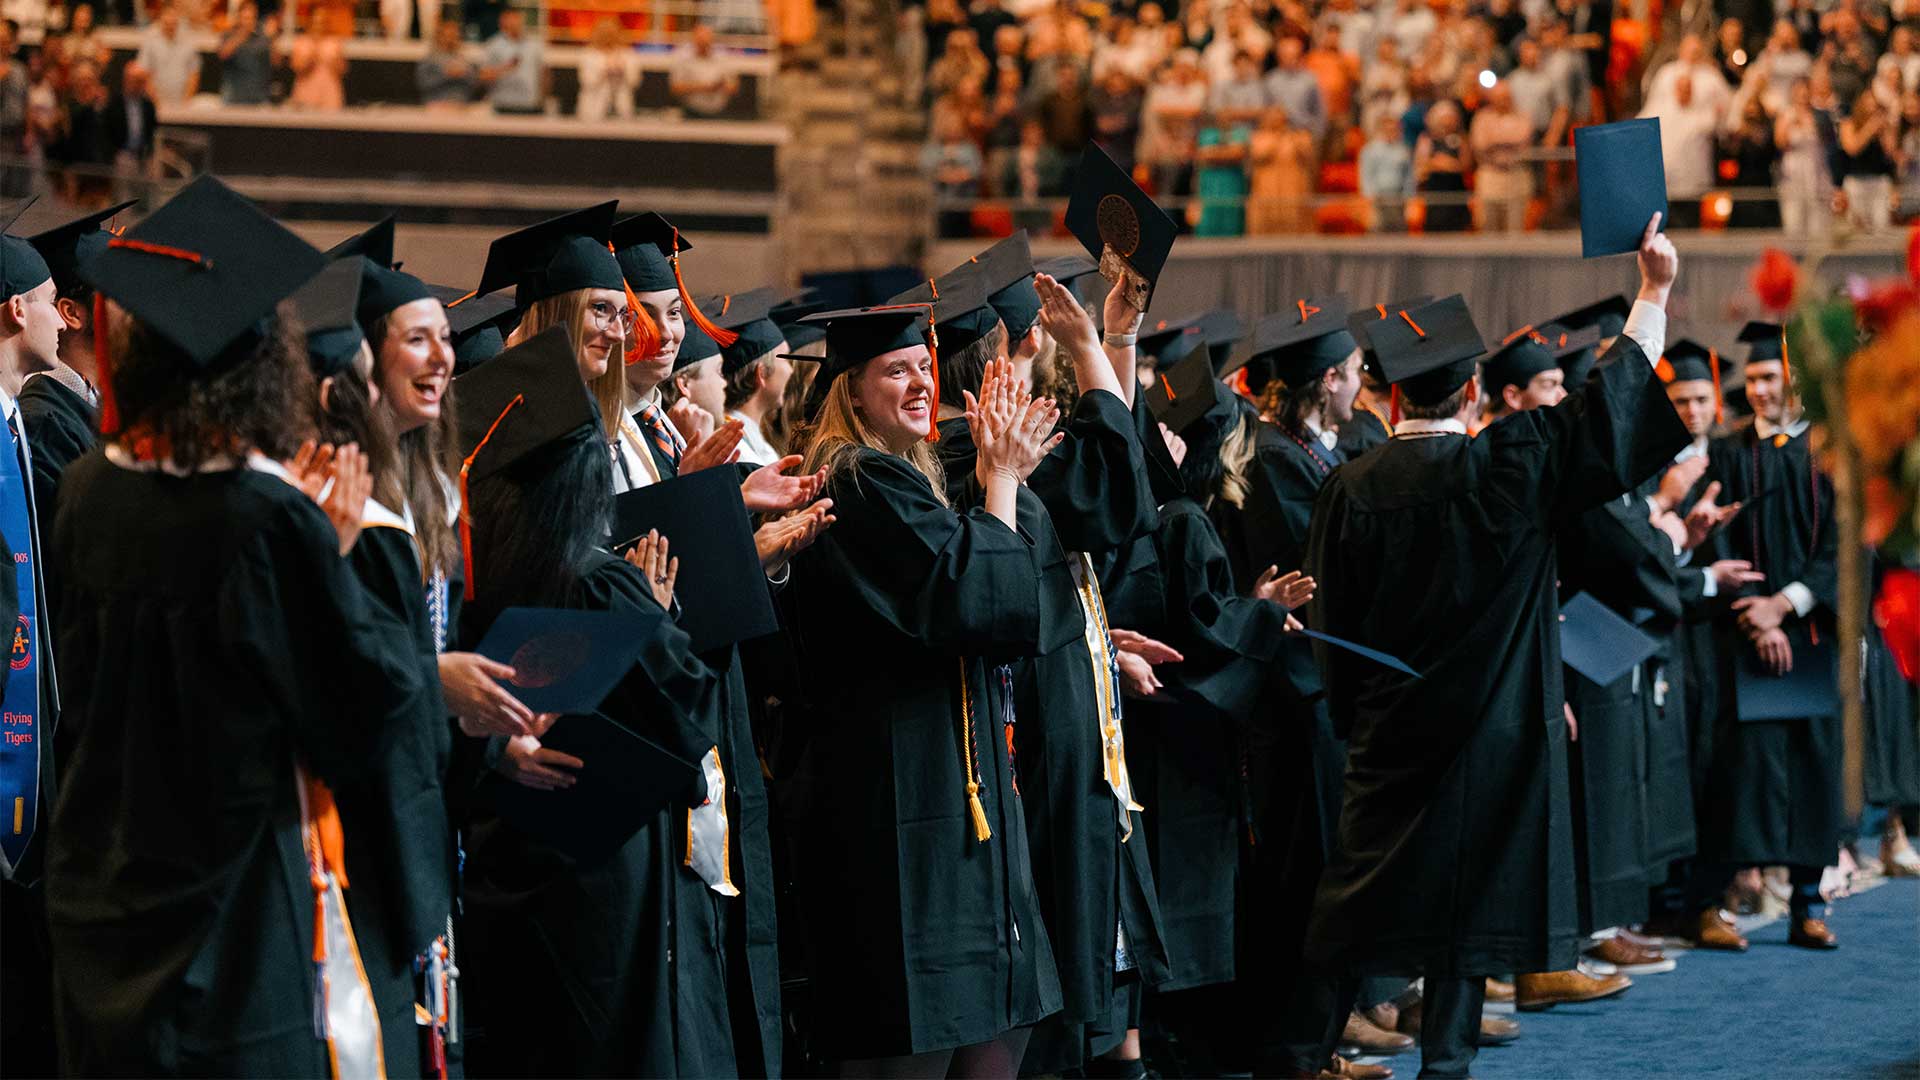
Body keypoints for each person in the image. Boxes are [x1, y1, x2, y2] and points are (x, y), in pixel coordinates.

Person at [46, 175, 423, 1078]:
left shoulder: (88, 490)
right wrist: (333, 561)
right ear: (268, 366)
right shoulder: (268, 516)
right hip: (233, 902)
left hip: (104, 883)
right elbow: (361, 711)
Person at [1299, 217, 1681, 1079]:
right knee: (1468, 909)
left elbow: (1336, 621)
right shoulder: (1513, 465)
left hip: (1389, 738)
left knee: (1355, 905)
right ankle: (1447, 1065)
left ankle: (1303, 1057)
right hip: (1495, 733)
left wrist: (1357, 713)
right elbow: (1606, 411)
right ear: (1475, 393)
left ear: (1389, 398)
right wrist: (1651, 293)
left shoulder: (1349, 489)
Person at [785, 303, 1063, 1074]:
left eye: (922, 366)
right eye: (893, 370)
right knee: (918, 1039)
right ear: (853, 390)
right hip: (898, 794)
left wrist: (988, 479)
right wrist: (1000, 478)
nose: (916, 383)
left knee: (997, 1024)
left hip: (947, 784)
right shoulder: (859, 478)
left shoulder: (903, 476)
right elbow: (973, 599)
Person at [1697, 322, 1845, 950]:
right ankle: (1719, 902)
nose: (1758, 390)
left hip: (1812, 633)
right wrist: (1753, 616)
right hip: (1742, 637)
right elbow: (1719, 543)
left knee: (1813, 764)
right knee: (1741, 768)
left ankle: (1808, 904)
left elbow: (1844, 547)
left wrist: (1783, 605)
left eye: (1769, 377)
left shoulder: (1831, 451)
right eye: (1751, 379)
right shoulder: (1729, 454)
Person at [715, 288, 793, 466]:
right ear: (762, 373)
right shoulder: (737, 451)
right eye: (787, 359)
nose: (791, 370)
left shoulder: (751, 438)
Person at [1470, 80, 1532, 232]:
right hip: (1490, 178)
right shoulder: (1482, 118)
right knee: (1488, 229)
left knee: (1515, 230)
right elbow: (1481, 144)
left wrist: (1495, 140)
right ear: (1492, 98)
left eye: (1506, 97)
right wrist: (1508, 141)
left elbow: (1522, 139)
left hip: (1516, 177)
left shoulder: (1522, 116)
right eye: (1499, 97)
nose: (1504, 101)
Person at [1246, 104, 1317, 234]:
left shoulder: (1299, 136)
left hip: (1293, 186)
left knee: (1294, 216)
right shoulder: (1259, 137)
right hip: (1268, 187)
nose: (1278, 121)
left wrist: (1292, 137)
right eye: (1273, 118)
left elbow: (1308, 155)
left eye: (1281, 118)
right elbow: (1260, 155)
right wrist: (1277, 137)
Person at [1776, 77, 1834, 236]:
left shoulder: (1819, 115)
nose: (1802, 95)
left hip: (1816, 170)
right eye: (1798, 91)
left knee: (1819, 223)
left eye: (1805, 91)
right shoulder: (1786, 114)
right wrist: (1792, 122)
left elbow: (1829, 139)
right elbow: (1780, 142)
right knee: (1794, 222)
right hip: (1793, 174)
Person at [1838, 92, 1899, 230]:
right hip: (1856, 181)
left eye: (1874, 106)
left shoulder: (1884, 125)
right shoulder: (1849, 123)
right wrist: (1870, 128)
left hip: (1879, 181)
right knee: (1856, 226)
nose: (1871, 109)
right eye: (1868, 105)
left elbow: (1891, 152)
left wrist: (1884, 130)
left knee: (1881, 225)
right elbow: (1852, 148)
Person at [1416, 99, 1472, 232]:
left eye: (1451, 118)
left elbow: (1466, 166)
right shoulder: (1427, 140)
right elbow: (1422, 166)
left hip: (1455, 192)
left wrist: (1445, 163)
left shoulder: (1462, 140)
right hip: (1435, 192)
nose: (1448, 123)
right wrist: (1442, 164)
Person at [479, 6, 542, 115]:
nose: (514, 23)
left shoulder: (534, 45)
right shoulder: (493, 45)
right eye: (510, 19)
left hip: (529, 104)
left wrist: (542, 100)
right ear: (502, 21)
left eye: (517, 18)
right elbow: (483, 76)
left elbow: (542, 74)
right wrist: (506, 68)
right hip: (502, 104)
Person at [135, 1, 200, 105]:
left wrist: (185, 102)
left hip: (182, 103)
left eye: (174, 23)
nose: (171, 25)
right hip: (154, 103)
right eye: (167, 23)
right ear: (161, 18)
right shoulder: (149, 37)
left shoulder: (188, 38)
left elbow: (194, 73)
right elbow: (144, 73)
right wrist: (156, 103)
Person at [671, 22, 740, 117]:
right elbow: (676, 88)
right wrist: (703, 87)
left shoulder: (723, 56)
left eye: (706, 40)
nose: (703, 43)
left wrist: (720, 86)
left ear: (712, 40)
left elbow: (734, 87)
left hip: (720, 113)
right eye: (700, 41)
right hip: (691, 112)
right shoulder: (683, 56)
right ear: (694, 39)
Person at [1358, 112, 1412, 230]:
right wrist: (1369, 197)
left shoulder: (1403, 151)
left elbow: (1408, 177)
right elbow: (1366, 175)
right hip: (1378, 200)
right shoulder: (1370, 150)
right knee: (1377, 232)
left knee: (1399, 232)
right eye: (1388, 130)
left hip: (1398, 200)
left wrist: (1408, 197)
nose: (1391, 132)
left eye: (1394, 129)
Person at [287, 4, 346, 110]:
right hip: (305, 97)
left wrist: (334, 61)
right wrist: (313, 54)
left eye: (323, 22)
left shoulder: (334, 42)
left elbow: (342, 69)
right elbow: (297, 68)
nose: (319, 26)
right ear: (310, 22)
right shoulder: (301, 42)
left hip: (330, 98)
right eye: (316, 22)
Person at [576, 17, 637, 120]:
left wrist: (623, 70)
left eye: (611, 33)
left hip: (621, 110)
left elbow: (634, 81)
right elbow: (586, 81)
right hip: (592, 110)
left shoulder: (627, 54)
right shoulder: (588, 54)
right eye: (604, 33)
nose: (608, 36)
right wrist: (604, 70)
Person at [217, 0, 272, 105]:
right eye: (245, 18)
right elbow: (223, 54)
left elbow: (275, 62)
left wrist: (271, 38)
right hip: (232, 98)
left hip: (258, 99)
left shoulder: (262, 38)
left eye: (251, 18)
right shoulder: (227, 36)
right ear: (238, 17)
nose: (248, 22)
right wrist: (243, 33)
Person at [416, 18, 476, 108]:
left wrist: (464, 74)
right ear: (439, 37)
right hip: (436, 104)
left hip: (460, 105)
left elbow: (474, 81)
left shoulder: (464, 59)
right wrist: (445, 74)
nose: (451, 39)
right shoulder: (430, 59)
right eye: (448, 35)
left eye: (454, 36)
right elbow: (423, 83)